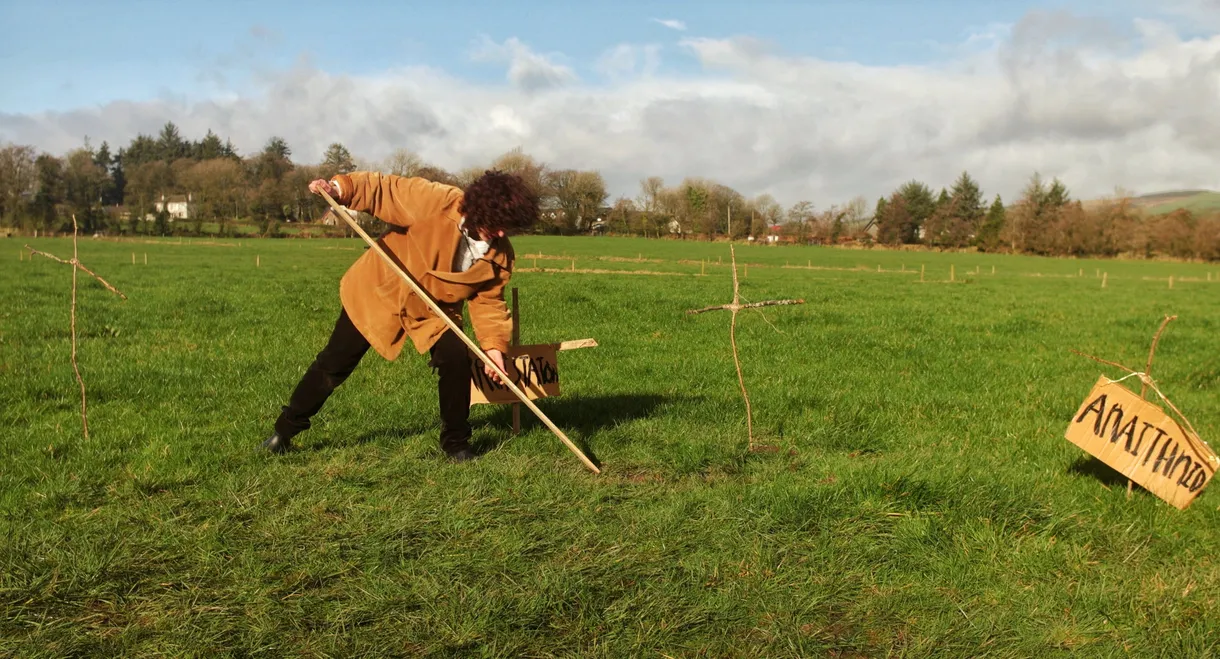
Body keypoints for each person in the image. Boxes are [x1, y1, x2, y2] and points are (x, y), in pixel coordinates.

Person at [261, 169, 538, 461]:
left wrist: (494, 348)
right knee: (335, 363)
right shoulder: (437, 201)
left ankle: (456, 444)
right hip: (381, 291)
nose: (503, 233)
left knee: (457, 359)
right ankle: (284, 432)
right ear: (482, 207)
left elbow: (489, 301)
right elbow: (384, 189)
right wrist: (338, 187)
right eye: (499, 223)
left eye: (510, 227)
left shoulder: (500, 254)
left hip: (434, 311)